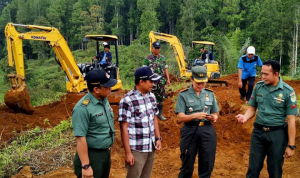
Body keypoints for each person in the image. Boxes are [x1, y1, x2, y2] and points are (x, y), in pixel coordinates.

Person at [235, 60, 297, 178]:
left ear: (276, 74)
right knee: (253, 169)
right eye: (262, 73)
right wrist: (245, 117)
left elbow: (291, 120)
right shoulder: (259, 87)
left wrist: (291, 145)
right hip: (258, 133)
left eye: (266, 74)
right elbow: (252, 108)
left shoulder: (287, 92)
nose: (262, 76)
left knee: (274, 170)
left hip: (277, 135)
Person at [176, 66, 219, 178]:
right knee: (187, 163)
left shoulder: (210, 94)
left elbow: (216, 113)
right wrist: (194, 115)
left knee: (207, 162)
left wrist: (213, 118)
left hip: (207, 130)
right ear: (191, 79)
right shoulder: (183, 95)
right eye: (198, 83)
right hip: (190, 130)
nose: (201, 86)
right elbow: (180, 118)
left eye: (203, 83)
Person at [119, 66, 162, 178]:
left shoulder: (151, 97)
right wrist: (128, 153)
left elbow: (154, 118)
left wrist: (158, 138)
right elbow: (124, 128)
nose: (153, 84)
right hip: (136, 149)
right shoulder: (128, 100)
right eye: (150, 81)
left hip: (150, 146)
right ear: (141, 82)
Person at [72, 70, 117, 178]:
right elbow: (80, 138)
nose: (110, 89)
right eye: (107, 87)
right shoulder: (82, 108)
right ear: (96, 89)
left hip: (105, 154)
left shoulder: (103, 100)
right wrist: (86, 166)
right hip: (92, 156)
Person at [144, 41, 171, 121]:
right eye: (156, 48)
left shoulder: (162, 58)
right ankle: (150, 114)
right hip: (151, 82)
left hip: (161, 81)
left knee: (161, 97)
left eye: (158, 48)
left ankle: (160, 114)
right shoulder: (148, 59)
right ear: (152, 48)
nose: (157, 50)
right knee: (150, 97)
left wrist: (168, 79)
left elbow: (165, 69)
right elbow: (144, 70)